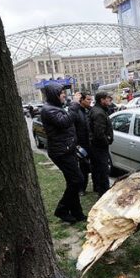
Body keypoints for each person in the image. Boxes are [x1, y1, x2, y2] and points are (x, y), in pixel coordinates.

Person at [40, 84, 86, 224]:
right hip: (61, 152)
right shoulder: (48, 110)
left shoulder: (56, 107)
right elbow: (64, 122)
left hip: (67, 149)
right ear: (54, 94)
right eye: (61, 93)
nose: (64, 95)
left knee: (73, 182)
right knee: (77, 180)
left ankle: (77, 213)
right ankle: (62, 210)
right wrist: (74, 104)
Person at [89, 92, 114, 197]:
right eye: (108, 98)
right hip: (99, 147)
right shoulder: (99, 113)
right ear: (102, 100)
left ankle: (99, 190)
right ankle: (104, 193)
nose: (110, 100)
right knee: (103, 170)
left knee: (98, 169)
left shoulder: (98, 110)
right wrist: (107, 141)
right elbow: (99, 133)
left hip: (96, 146)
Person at [68, 91, 93, 196]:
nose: (90, 101)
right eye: (88, 99)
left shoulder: (88, 111)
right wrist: (77, 145)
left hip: (89, 143)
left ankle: (88, 187)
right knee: (82, 168)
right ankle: (81, 189)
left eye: (91, 99)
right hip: (80, 145)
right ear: (81, 100)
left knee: (88, 167)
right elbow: (72, 129)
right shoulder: (75, 111)